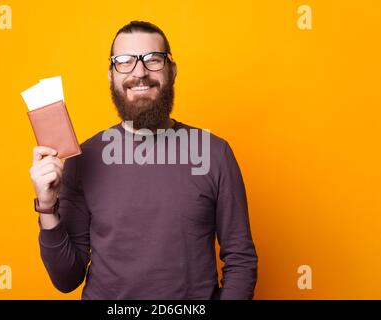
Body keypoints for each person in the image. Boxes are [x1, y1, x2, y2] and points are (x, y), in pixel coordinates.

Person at [29, 20, 258, 300]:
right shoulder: (81, 159)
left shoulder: (214, 153)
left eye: (153, 60)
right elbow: (67, 279)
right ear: (111, 75)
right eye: (124, 61)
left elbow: (241, 261)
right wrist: (48, 206)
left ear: (172, 71)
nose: (140, 72)